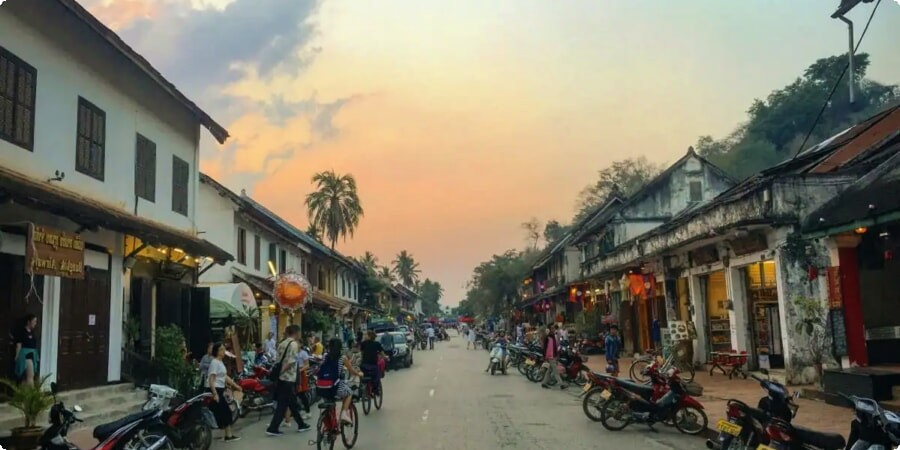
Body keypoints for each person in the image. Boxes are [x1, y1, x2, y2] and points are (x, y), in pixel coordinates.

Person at [266, 325, 311, 436]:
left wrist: (278, 374)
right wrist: (282, 372)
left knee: (292, 403)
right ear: (296, 333)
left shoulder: (282, 343)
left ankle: (301, 424)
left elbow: (277, 360)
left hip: (282, 379)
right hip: (288, 378)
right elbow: (290, 362)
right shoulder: (294, 344)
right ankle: (273, 428)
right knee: (284, 404)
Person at [316, 338, 363, 424]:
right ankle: (344, 413)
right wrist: (359, 374)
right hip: (335, 387)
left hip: (321, 387)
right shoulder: (342, 357)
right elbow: (351, 370)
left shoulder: (325, 356)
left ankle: (328, 429)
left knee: (329, 404)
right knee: (349, 393)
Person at [207, 342, 242, 442]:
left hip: (220, 389)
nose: (224, 351)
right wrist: (215, 394)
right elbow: (211, 379)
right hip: (215, 389)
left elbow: (224, 377)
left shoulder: (220, 362)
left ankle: (228, 435)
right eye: (221, 349)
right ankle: (228, 435)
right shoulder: (214, 362)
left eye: (224, 349)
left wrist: (235, 385)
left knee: (223, 412)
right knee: (224, 412)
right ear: (217, 351)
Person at [283, 339, 313, 427]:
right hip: (293, 374)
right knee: (292, 395)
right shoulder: (292, 353)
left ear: (301, 344)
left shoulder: (303, 353)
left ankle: (307, 411)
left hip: (301, 374)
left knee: (302, 394)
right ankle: (288, 417)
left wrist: (300, 370)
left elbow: (307, 365)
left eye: (297, 343)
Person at [13, 314, 40, 386]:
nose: (35, 323)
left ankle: (24, 393)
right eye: (34, 321)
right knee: (30, 376)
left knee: (27, 377)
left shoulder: (32, 332)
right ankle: (32, 393)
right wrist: (17, 356)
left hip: (32, 356)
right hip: (26, 357)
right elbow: (18, 345)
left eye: (36, 321)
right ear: (28, 322)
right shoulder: (22, 332)